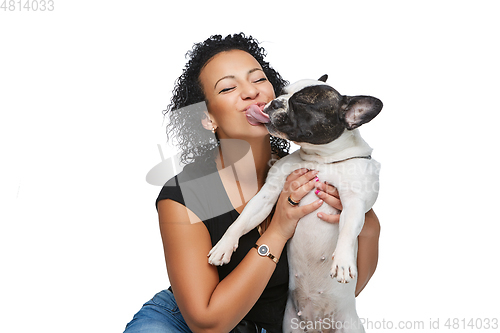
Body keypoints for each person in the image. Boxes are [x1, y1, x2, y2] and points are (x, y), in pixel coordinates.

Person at [124, 33, 380, 333]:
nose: (250, 92)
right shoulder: (189, 193)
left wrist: (366, 220)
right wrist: (278, 229)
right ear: (208, 119)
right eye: (229, 87)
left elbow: (343, 289)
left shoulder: (313, 169)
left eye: (258, 79)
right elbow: (208, 323)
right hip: (186, 322)